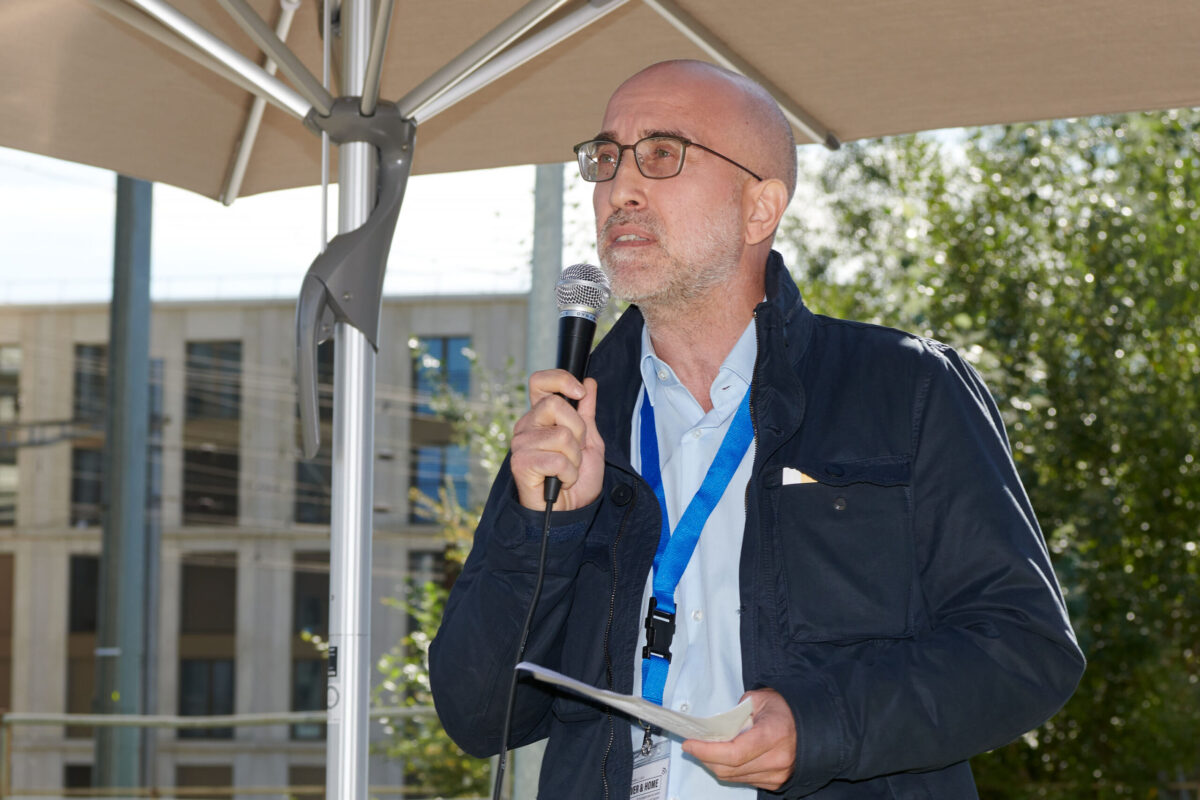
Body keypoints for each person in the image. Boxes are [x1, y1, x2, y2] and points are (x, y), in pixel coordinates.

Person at [429, 59, 1084, 799]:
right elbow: (478, 715)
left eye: (661, 154)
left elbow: (1025, 651)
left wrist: (821, 725)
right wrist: (544, 526)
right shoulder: (572, 423)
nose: (620, 189)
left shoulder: (907, 388)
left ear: (759, 208)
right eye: (607, 158)